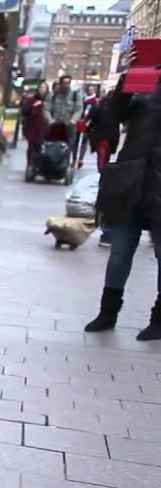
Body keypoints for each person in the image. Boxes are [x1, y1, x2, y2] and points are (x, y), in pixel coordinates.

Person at [83, 74, 160, 342]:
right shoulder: (146, 76)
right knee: (120, 250)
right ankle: (108, 313)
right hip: (133, 176)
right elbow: (115, 113)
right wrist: (127, 79)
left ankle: (159, 319)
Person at [21, 82, 49, 169]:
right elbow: (25, 111)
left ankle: (39, 165)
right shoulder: (32, 99)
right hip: (32, 126)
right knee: (31, 146)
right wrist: (33, 106)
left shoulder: (49, 100)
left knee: (40, 147)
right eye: (41, 87)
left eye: (44, 87)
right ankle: (30, 165)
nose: (42, 89)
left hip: (44, 127)